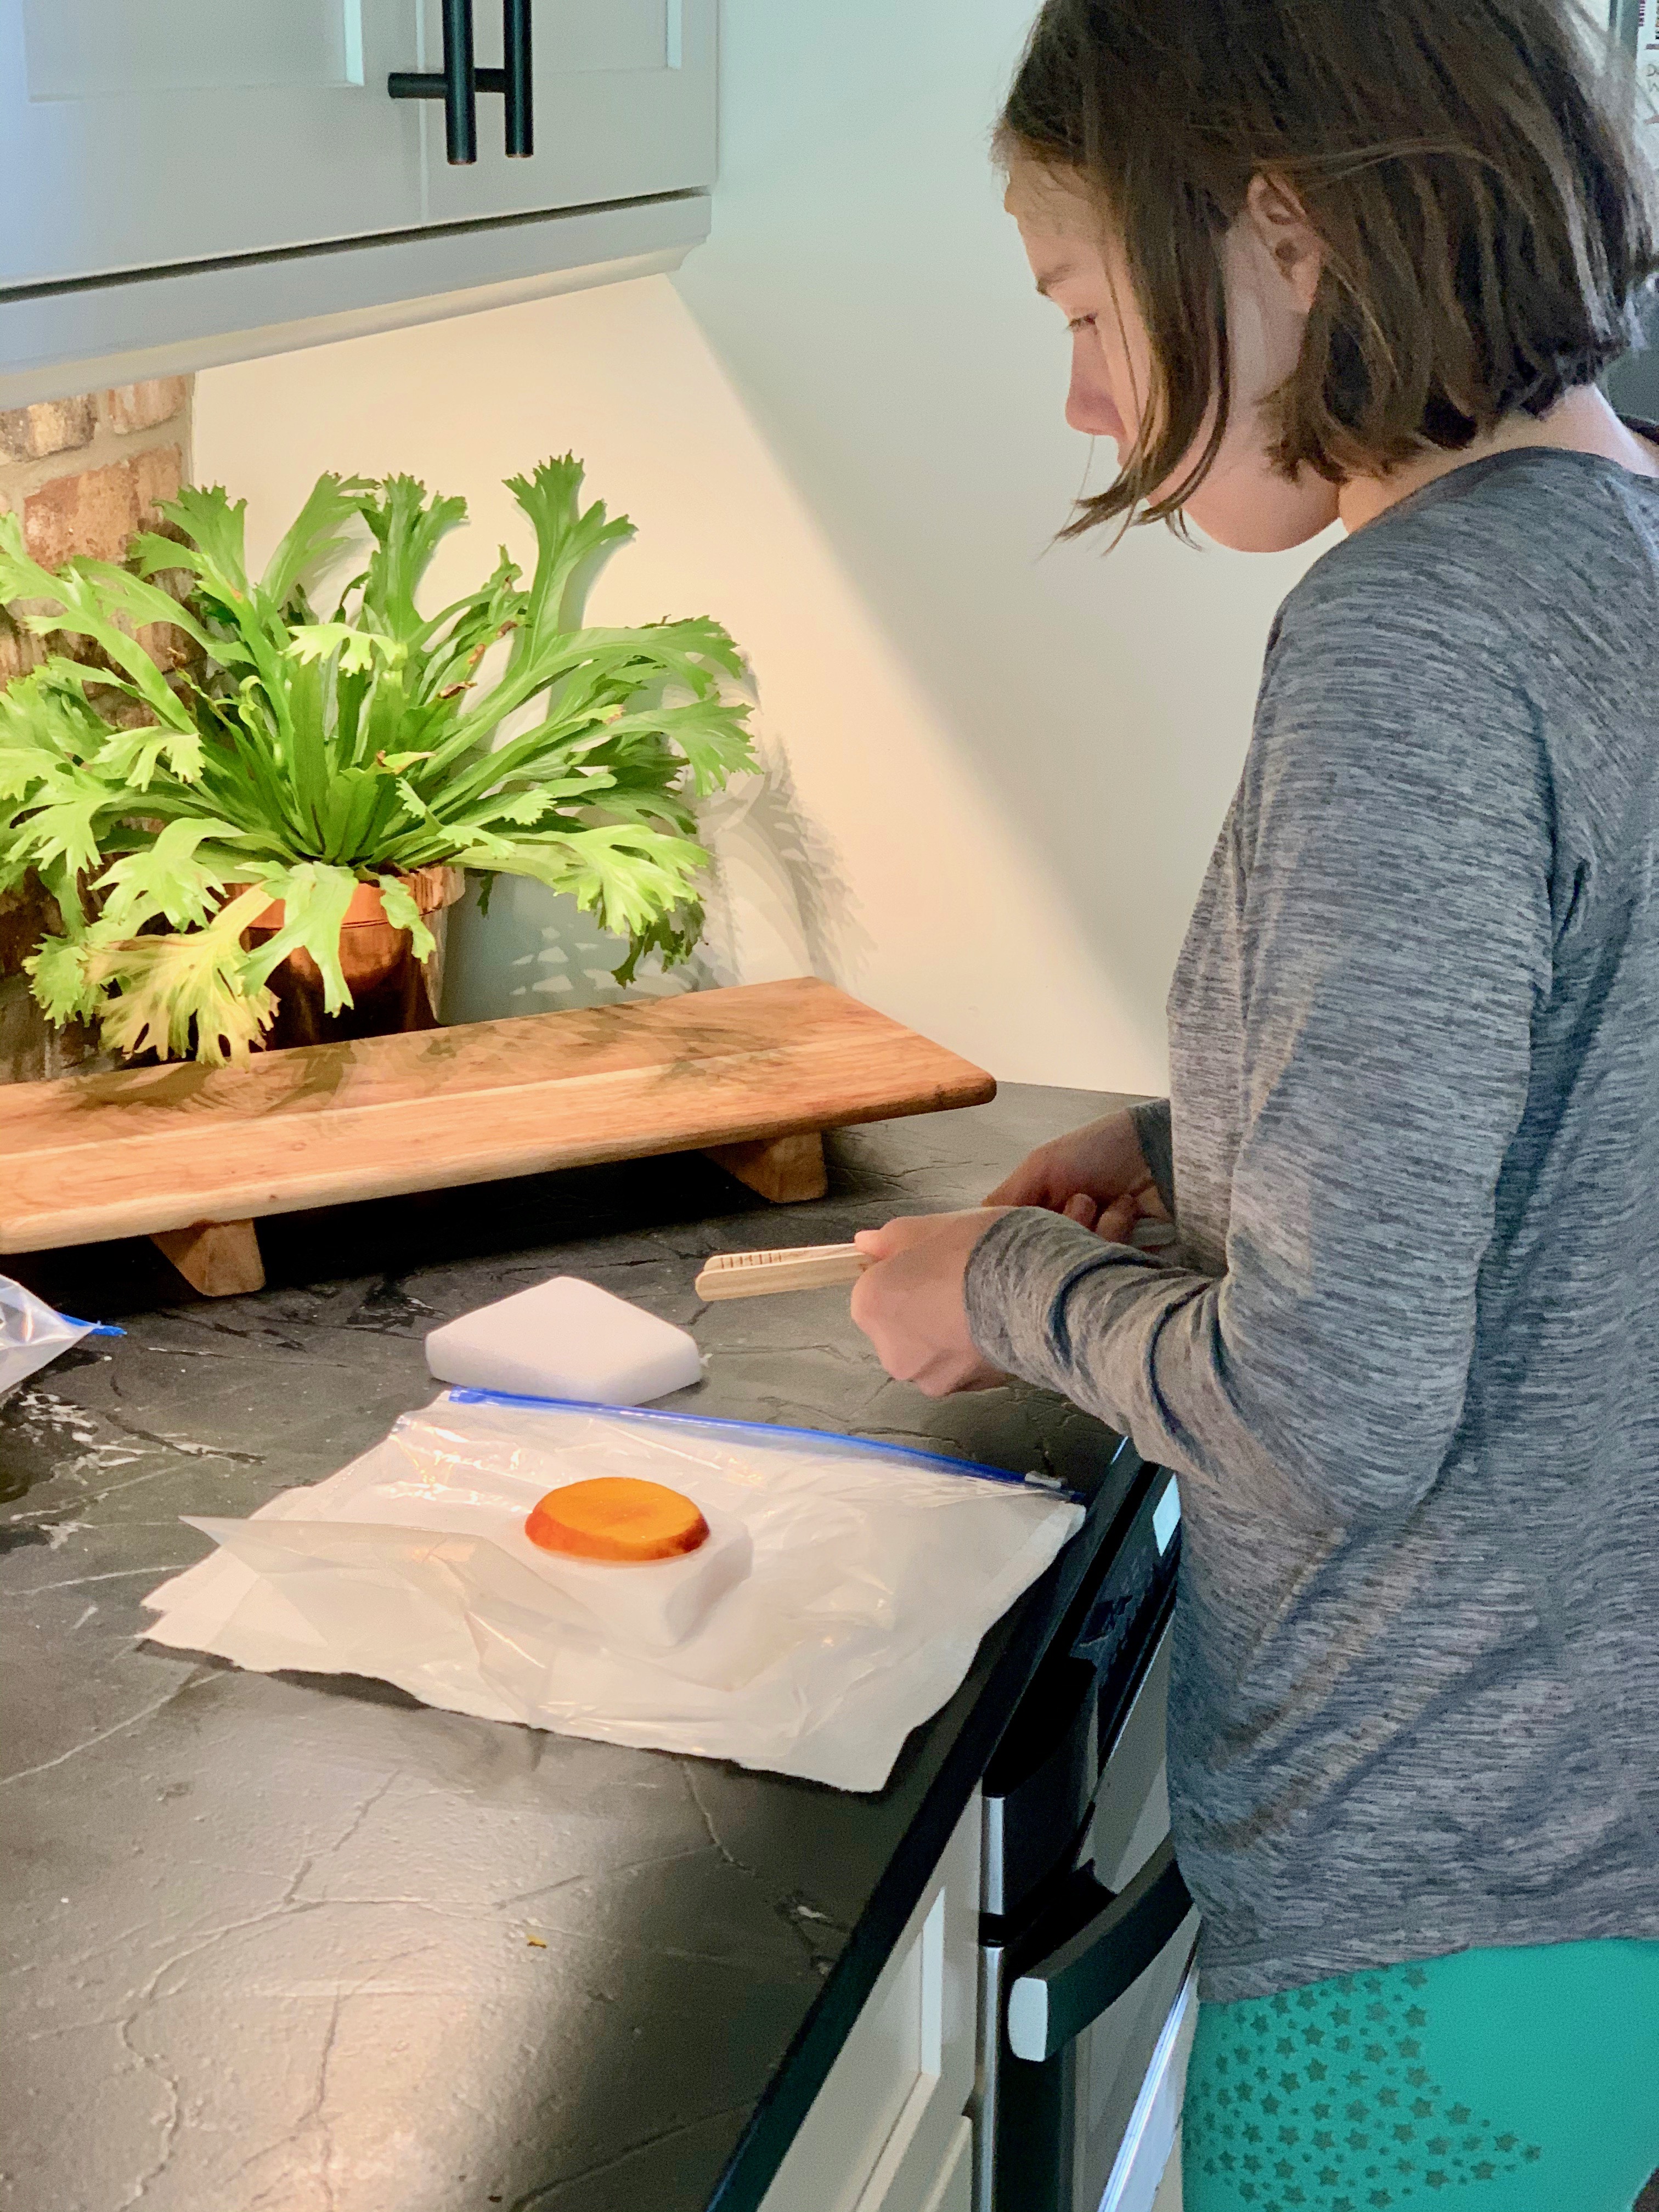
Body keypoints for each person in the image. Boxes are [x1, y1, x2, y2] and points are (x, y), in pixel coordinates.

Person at [848, 2, 1659, 2205]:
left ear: (1283, 234)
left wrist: (992, 1283)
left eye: (1082, 304)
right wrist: (1193, 1150)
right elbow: (1578, 1104)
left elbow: (1331, 1410)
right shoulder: (1617, 540)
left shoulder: (1410, 646)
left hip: (1427, 1906)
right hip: (1587, 1862)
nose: (1084, 398)